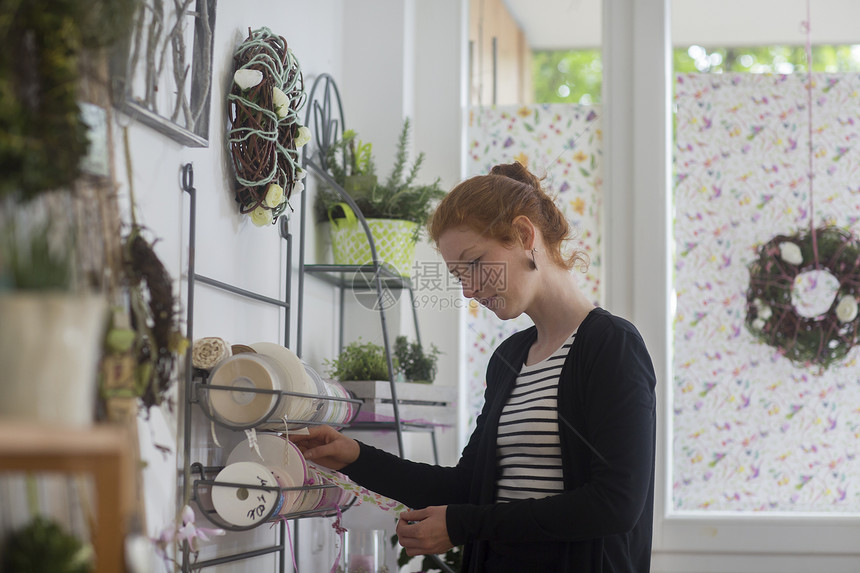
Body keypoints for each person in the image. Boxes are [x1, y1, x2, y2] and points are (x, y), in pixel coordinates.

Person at [291, 162, 657, 572]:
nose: (468, 288)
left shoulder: (610, 345)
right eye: (456, 275)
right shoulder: (509, 358)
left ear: (523, 235)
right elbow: (468, 486)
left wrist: (463, 524)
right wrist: (354, 456)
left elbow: (615, 505)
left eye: (475, 263)